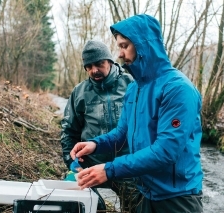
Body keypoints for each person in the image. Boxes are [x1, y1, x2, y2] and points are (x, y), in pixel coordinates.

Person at [71, 14, 204, 213]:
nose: (120, 54)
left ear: (143, 45)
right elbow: (122, 134)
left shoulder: (178, 88)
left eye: (124, 46)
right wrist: (95, 144)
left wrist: (109, 170)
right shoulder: (134, 89)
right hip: (144, 193)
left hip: (177, 197)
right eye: (119, 47)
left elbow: (166, 150)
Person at [60, 40, 137, 212]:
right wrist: (71, 162)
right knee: (85, 207)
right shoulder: (79, 93)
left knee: (135, 208)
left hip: (127, 166)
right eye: (89, 66)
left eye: (99, 64)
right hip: (91, 166)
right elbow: (69, 131)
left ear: (109, 61)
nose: (94, 70)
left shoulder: (132, 84)